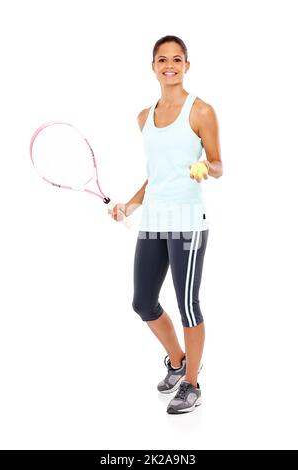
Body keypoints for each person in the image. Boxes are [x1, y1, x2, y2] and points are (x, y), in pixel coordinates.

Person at [108, 35, 223, 414]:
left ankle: (192, 384)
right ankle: (179, 362)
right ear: (153, 66)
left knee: (188, 305)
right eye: (162, 59)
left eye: (177, 59)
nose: (169, 65)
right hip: (154, 220)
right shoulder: (144, 117)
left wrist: (206, 166)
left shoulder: (201, 111)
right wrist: (129, 204)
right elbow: (155, 176)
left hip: (188, 222)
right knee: (143, 302)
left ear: (187, 65)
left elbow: (219, 165)